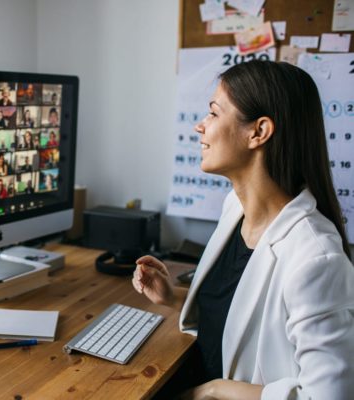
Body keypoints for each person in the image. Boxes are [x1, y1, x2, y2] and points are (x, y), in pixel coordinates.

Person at [132, 61, 354, 400]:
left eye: (213, 113)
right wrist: (174, 299)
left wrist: (214, 390)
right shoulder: (235, 208)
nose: (200, 126)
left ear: (258, 132)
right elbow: (245, 327)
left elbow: (328, 396)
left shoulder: (316, 258)